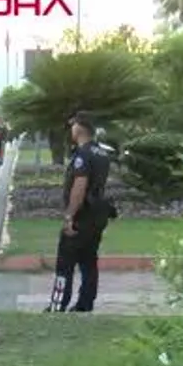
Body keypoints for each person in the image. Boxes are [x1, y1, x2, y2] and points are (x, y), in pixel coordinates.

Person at [46, 114, 113, 313]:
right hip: (97, 216)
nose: (71, 130)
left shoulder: (83, 154)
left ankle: (58, 305)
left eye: (73, 125)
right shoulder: (101, 153)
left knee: (64, 265)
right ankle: (85, 304)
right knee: (89, 262)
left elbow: (79, 187)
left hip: (81, 216)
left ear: (80, 128)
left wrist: (69, 216)